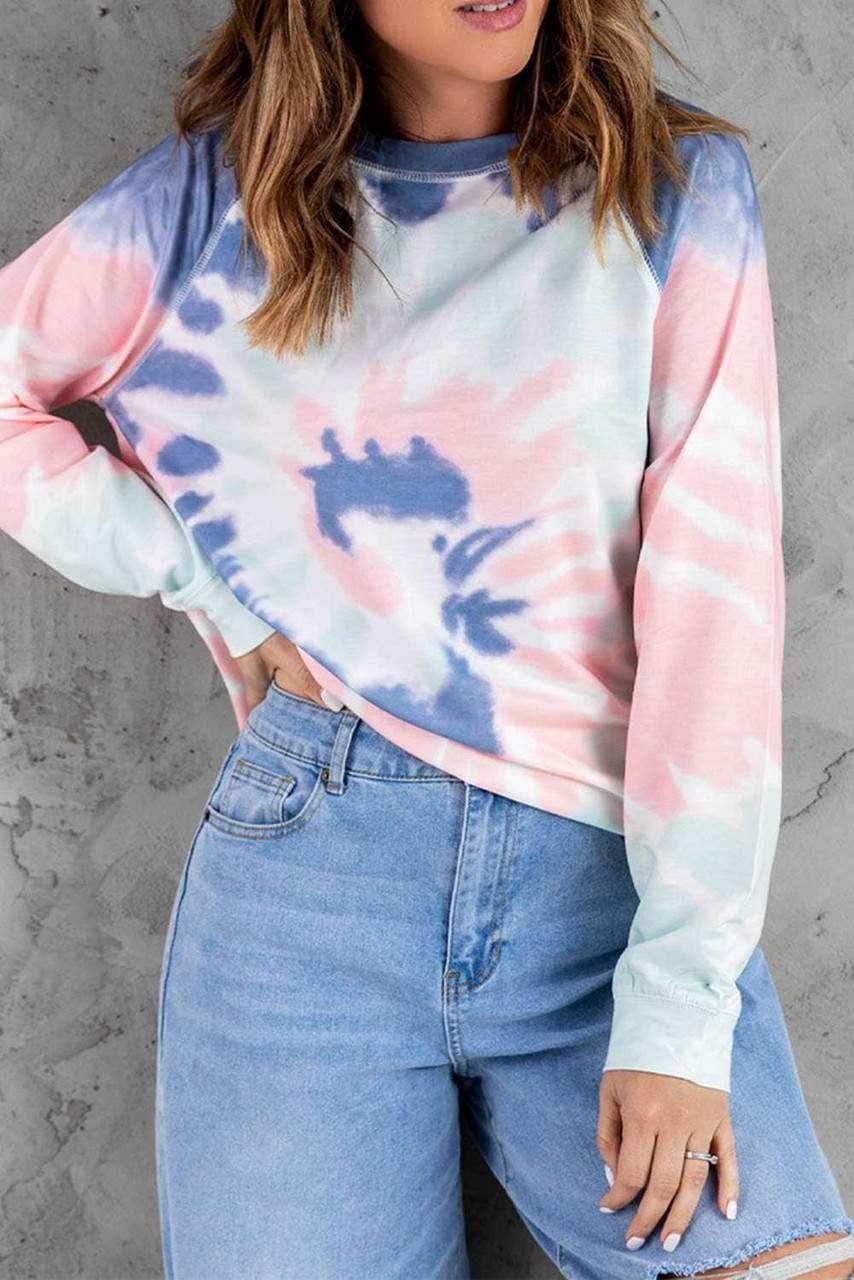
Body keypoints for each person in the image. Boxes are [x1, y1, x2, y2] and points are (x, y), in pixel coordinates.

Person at [1, 1, 851, 1277]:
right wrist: (212, 589)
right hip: (307, 882)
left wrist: (678, 1005)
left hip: (602, 888)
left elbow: (715, 610)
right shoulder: (202, 208)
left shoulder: (670, 192)